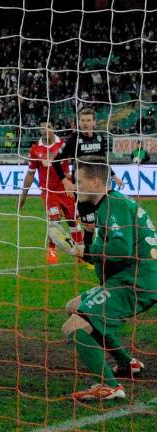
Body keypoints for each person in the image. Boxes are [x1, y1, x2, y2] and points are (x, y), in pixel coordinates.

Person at [60, 155, 157, 401]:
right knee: (73, 306)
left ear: (94, 181)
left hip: (138, 281)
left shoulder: (114, 206)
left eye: (79, 180)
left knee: (73, 326)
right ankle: (127, 364)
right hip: (136, 277)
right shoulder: (110, 204)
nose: (75, 185)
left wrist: (87, 251)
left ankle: (110, 387)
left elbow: (121, 250)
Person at [52, 108, 124, 259]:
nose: (85, 124)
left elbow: (103, 161)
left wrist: (114, 175)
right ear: (79, 122)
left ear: (94, 122)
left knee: (105, 221)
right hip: (83, 190)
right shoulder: (73, 140)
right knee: (89, 226)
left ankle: (103, 253)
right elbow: (55, 162)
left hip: (99, 188)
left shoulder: (99, 139)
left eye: (88, 120)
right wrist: (65, 182)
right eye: (83, 120)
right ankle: (88, 256)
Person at [18, 120, 83, 264]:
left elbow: (75, 162)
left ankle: (80, 251)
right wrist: (23, 195)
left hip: (65, 189)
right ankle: (52, 250)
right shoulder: (35, 149)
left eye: (48, 127)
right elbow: (30, 174)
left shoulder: (63, 144)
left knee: (73, 221)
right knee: (54, 221)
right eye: (42, 128)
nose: (45, 130)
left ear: (53, 128)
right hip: (49, 192)